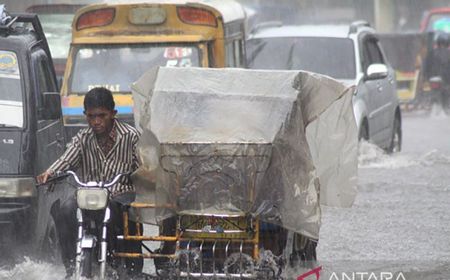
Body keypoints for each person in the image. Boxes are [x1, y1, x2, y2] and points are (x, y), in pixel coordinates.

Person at [37, 87, 142, 277]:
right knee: (65, 210)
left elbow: (144, 167)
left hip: (119, 195)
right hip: (87, 194)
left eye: (101, 116)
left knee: (124, 214)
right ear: (85, 115)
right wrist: (51, 172)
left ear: (113, 114)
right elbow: (67, 158)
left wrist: (143, 175)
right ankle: (71, 266)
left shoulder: (131, 136)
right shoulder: (83, 138)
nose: (96, 122)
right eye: (91, 116)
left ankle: (121, 263)